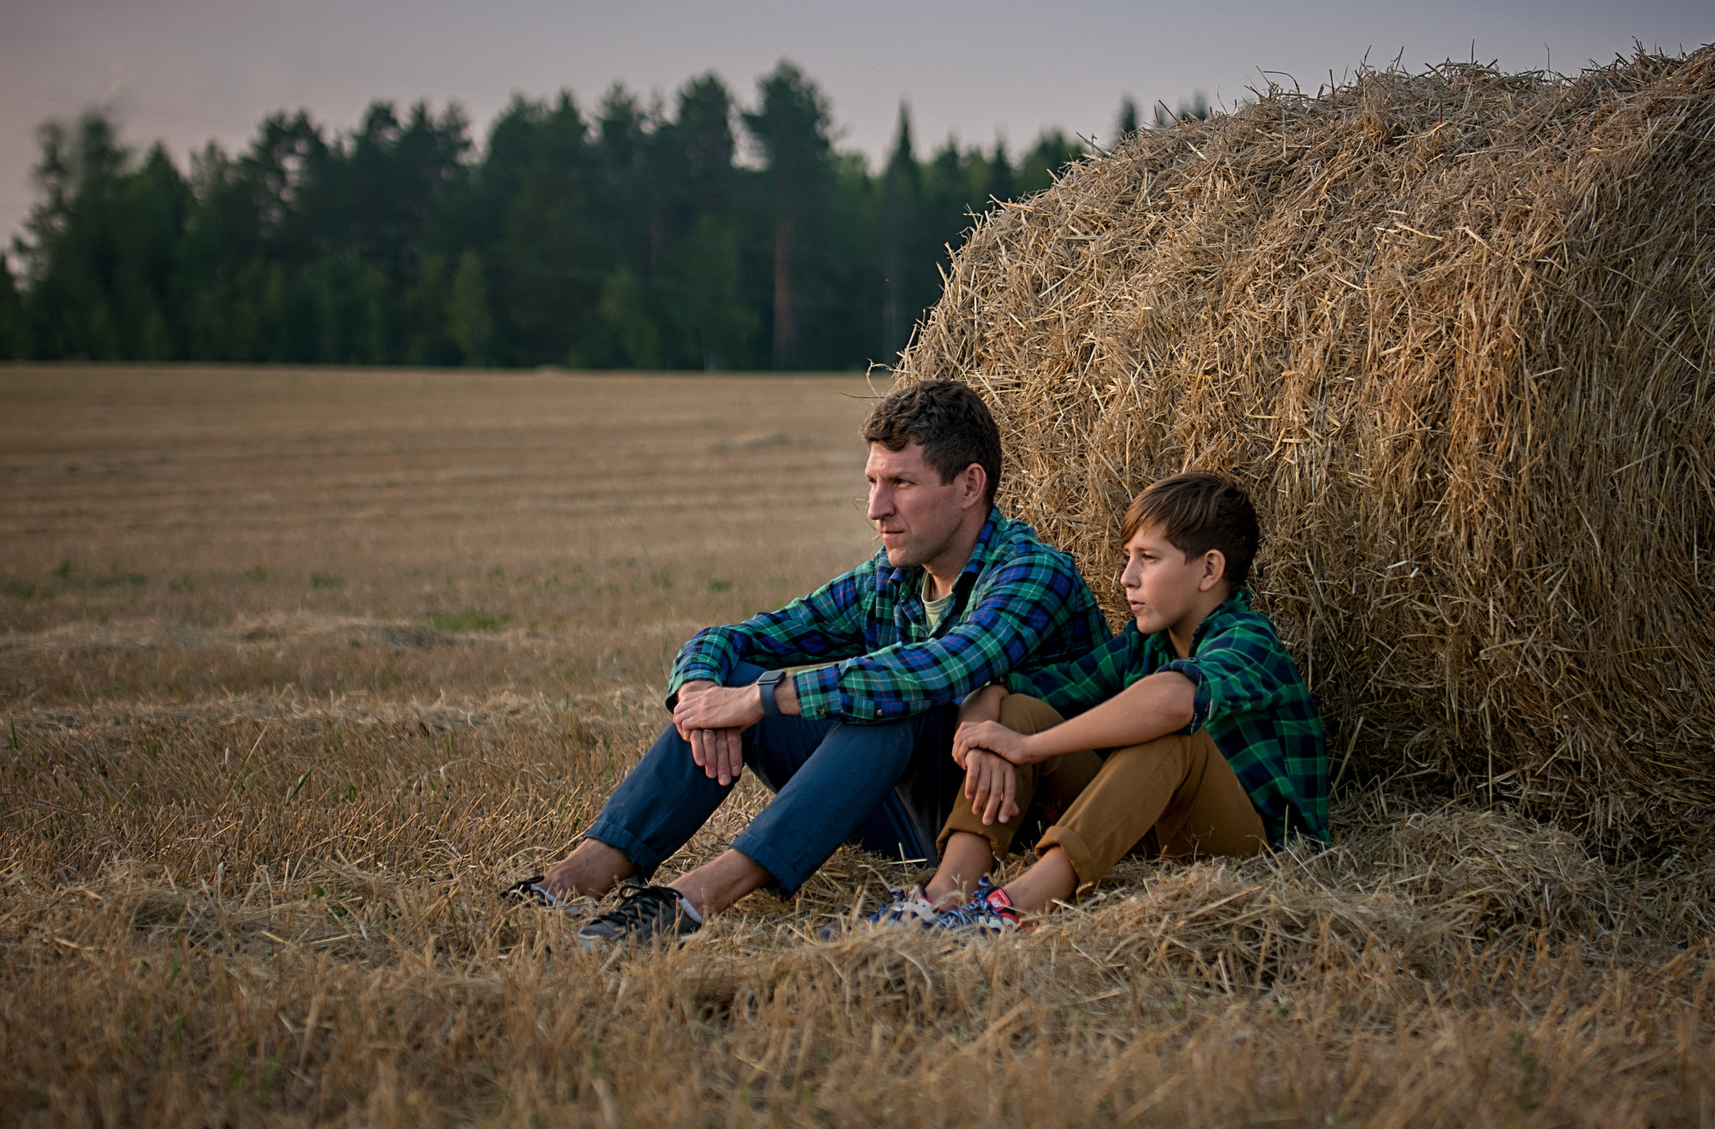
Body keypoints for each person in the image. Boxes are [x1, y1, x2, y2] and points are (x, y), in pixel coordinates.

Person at [507, 379, 1106, 946]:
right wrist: (700, 692)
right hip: (905, 822)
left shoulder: (1033, 573)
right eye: (873, 481)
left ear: (970, 486)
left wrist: (764, 698)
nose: (876, 508)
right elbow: (736, 639)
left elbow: (940, 669)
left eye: (901, 483)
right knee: (737, 679)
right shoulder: (890, 579)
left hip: (1005, 826)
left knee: (887, 701)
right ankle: (584, 872)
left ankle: (697, 897)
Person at [881, 471, 1328, 932]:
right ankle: (943, 897)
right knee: (1018, 716)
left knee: (1173, 736)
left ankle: (1012, 909)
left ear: (1210, 570)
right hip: (1148, 832)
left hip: (1252, 851)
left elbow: (1174, 703)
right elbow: (1008, 689)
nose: (1126, 578)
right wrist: (981, 738)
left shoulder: (1248, 639)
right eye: (1127, 558)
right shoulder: (1143, 645)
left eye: (1148, 559)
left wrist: (1029, 749)